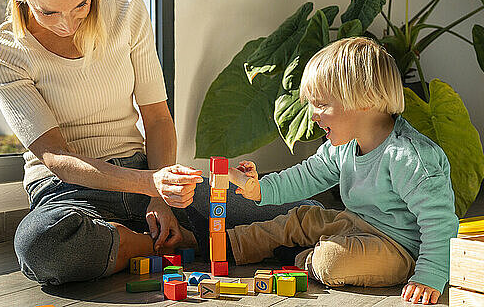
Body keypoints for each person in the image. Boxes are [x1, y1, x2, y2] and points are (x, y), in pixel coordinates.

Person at [0, 0, 317, 287]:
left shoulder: (126, 11)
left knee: (305, 214)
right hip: (68, 194)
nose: (67, 23)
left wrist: (160, 198)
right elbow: (56, 157)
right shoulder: (2, 52)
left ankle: (156, 240)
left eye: (80, 4)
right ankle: (151, 244)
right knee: (41, 246)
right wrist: (152, 185)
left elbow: (157, 118)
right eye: (48, 12)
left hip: (145, 174)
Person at [191, 38, 459, 305]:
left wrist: (430, 274)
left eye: (321, 104)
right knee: (299, 219)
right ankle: (227, 245)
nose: (313, 114)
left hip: (398, 249)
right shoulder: (344, 146)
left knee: (332, 262)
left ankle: (300, 257)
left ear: (364, 99)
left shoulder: (408, 156)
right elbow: (305, 176)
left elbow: (440, 223)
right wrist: (257, 187)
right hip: (355, 225)